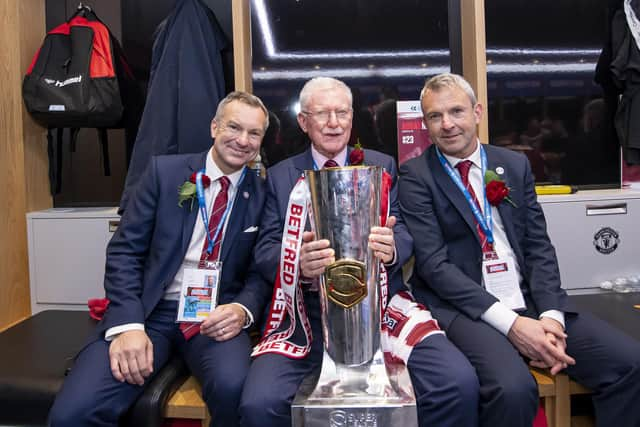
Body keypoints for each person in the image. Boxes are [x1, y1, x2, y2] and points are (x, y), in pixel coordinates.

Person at [399, 73, 640, 427]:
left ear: (477, 112)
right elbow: (436, 268)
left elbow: (537, 245)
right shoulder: (416, 176)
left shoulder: (512, 165)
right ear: (426, 124)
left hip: (531, 301)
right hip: (468, 309)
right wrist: (513, 325)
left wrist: (550, 319)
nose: (447, 124)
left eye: (456, 111)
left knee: (630, 363)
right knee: (512, 389)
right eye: (435, 116)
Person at [239, 77, 479, 427]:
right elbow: (263, 252)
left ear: (353, 118)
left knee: (457, 383)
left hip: (380, 307)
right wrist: (297, 262)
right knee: (259, 404)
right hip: (306, 316)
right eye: (322, 114)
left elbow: (407, 233)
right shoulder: (280, 176)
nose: (334, 123)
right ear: (304, 122)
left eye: (342, 113)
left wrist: (393, 246)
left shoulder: (383, 165)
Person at [48, 91, 271, 427]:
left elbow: (259, 272)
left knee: (235, 390)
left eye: (254, 133)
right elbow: (125, 251)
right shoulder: (163, 174)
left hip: (214, 316)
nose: (243, 140)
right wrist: (128, 325)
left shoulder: (263, 193)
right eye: (234, 128)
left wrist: (241, 310)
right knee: (74, 413)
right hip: (150, 312)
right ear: (214, 127)